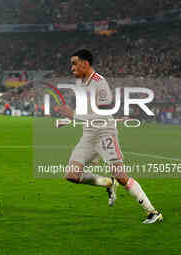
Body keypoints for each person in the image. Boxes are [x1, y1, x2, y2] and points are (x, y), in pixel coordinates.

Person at [56, 49, 162, 224]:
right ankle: (108, 183)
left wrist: (73, 116)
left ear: (85, 64)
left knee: (121, 174)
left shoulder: (99, 83)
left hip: (105, 132)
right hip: (89, 133)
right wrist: (67, 120)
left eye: (74, 64)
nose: (71, 68)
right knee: (72, 175)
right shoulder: (82, 83)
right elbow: (88, 112)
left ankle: (153, 212)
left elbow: (102, 112)